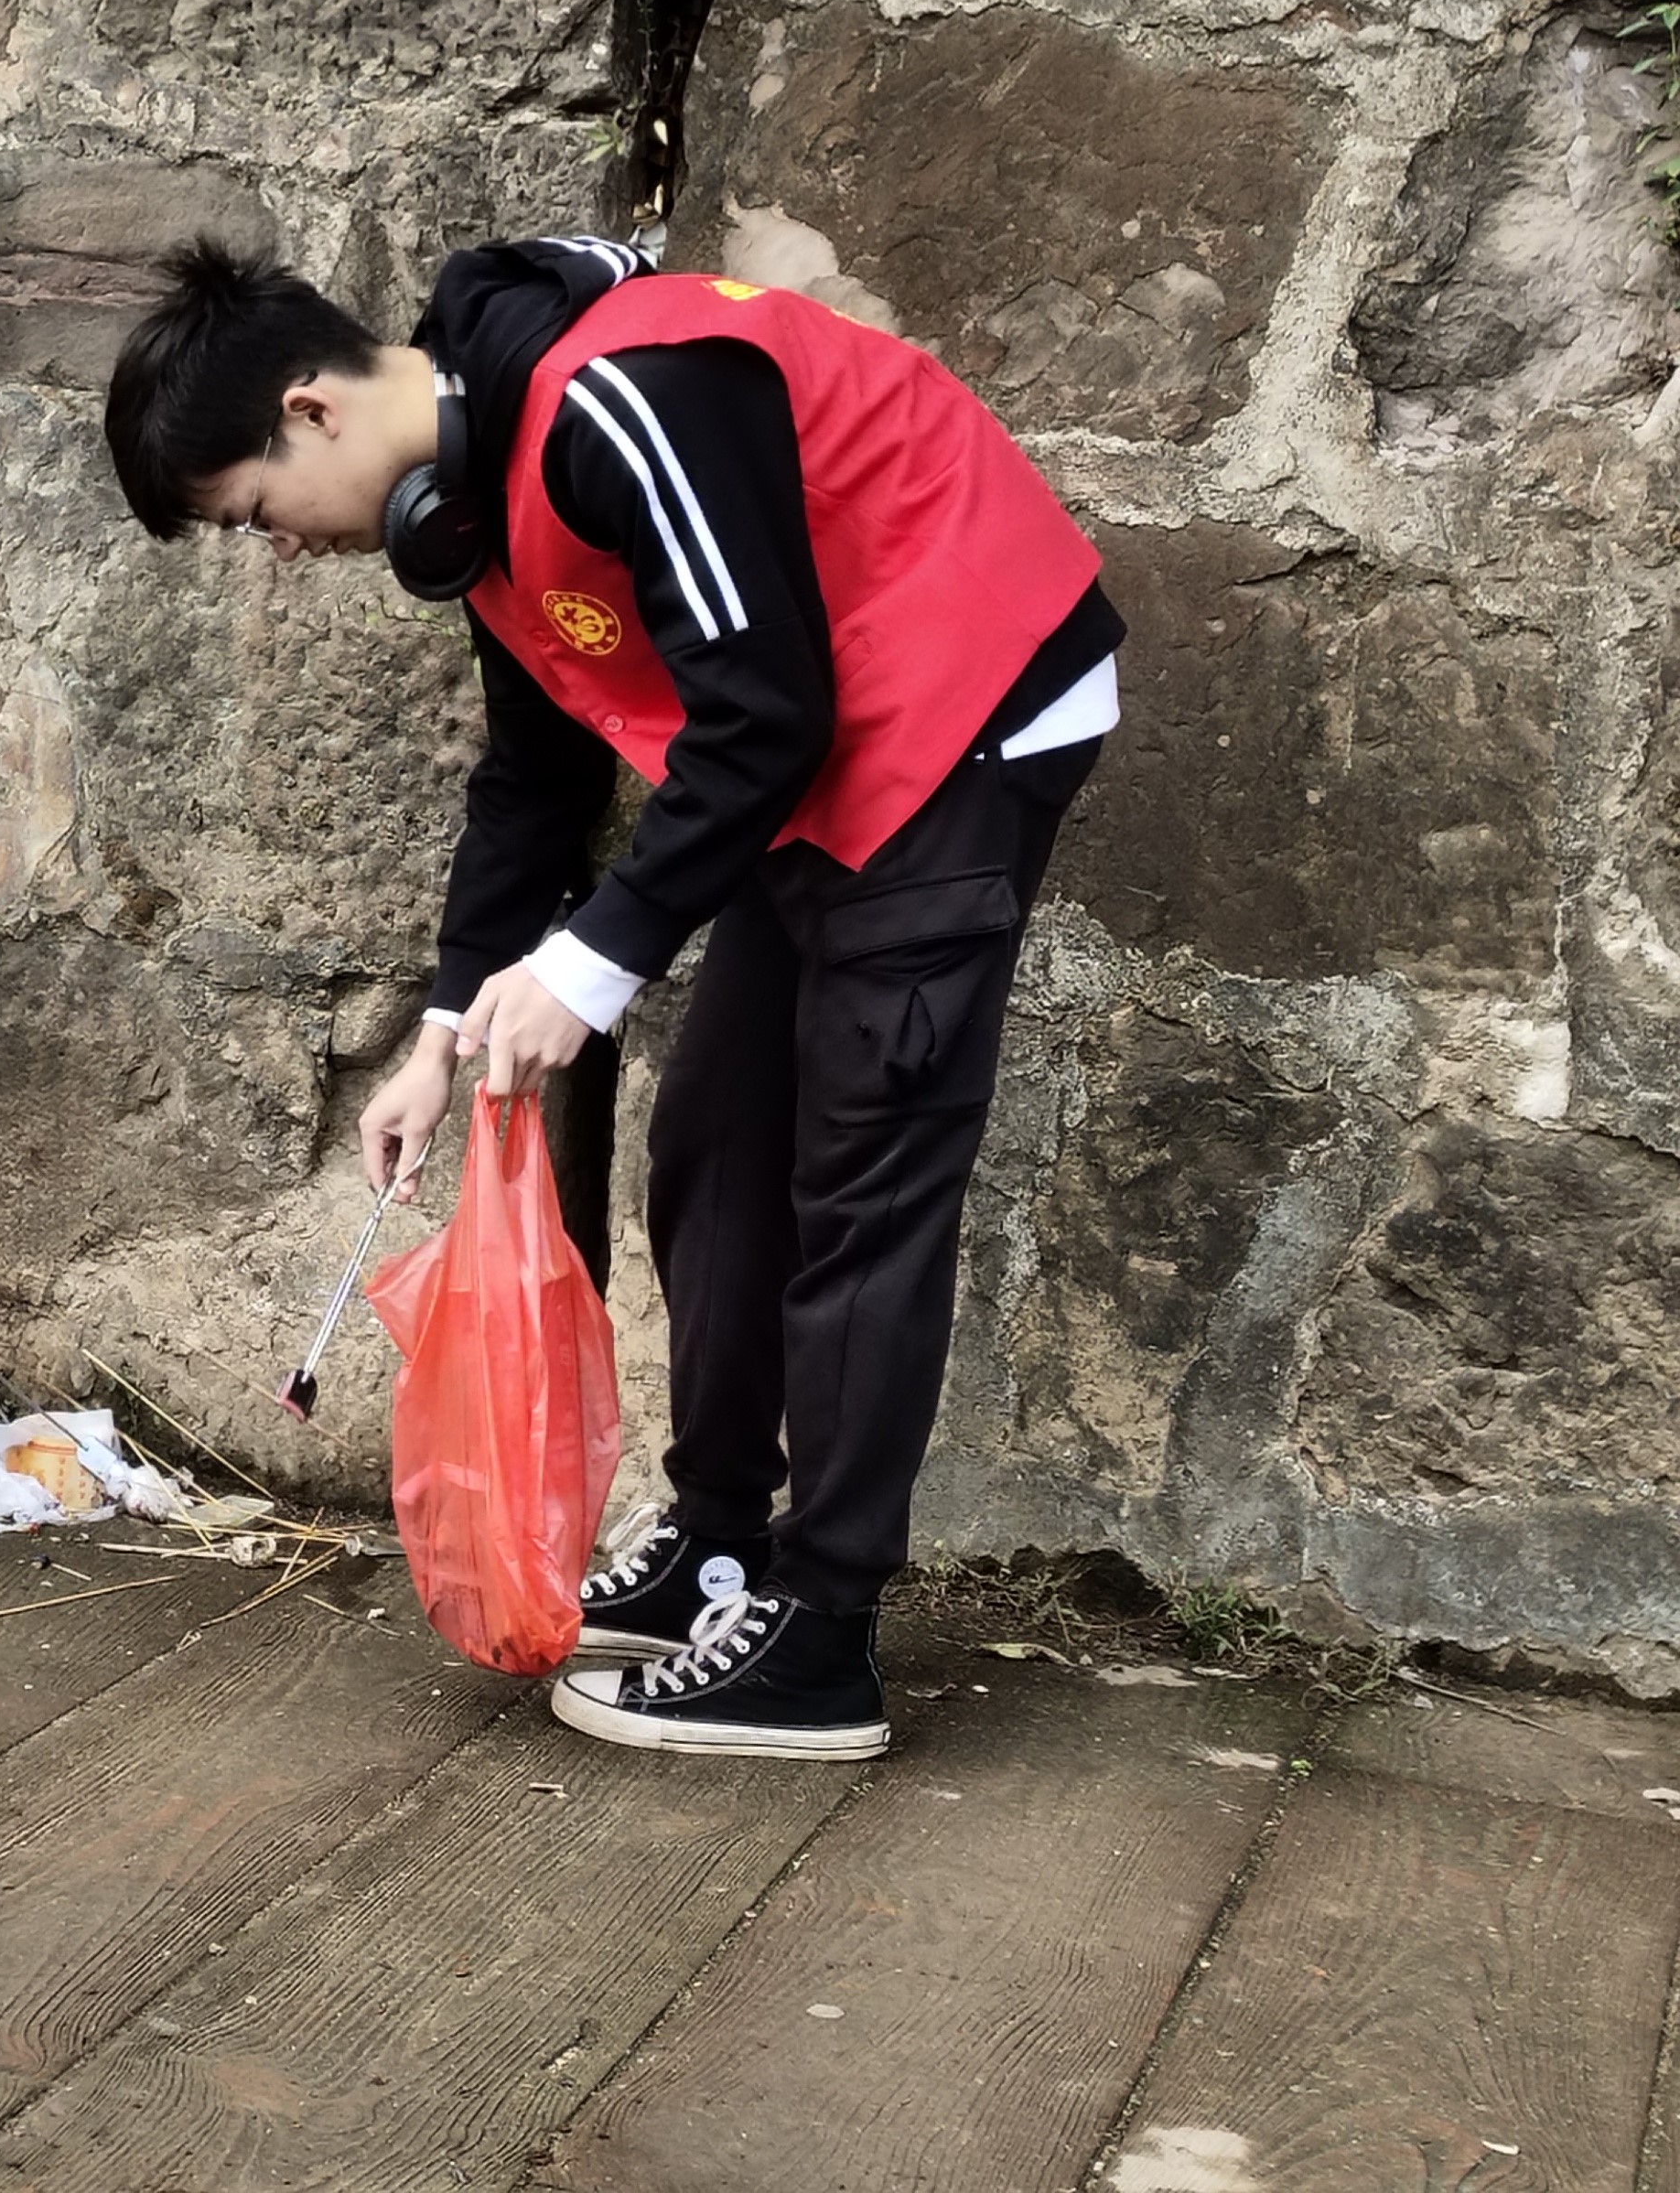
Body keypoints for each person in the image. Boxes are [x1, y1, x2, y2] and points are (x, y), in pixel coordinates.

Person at [105, 234, 1120, 1759]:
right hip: (828, 753)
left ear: (309, 409)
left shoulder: (617, 398)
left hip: (968, 697)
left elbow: (763, 712)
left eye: (255, 514)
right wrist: (442, 1034)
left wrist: (591, 964)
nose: (282, 551)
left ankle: (820, 1641)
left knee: (863, 1167)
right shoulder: (474, 501)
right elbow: (536, 779)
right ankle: (719, 1545)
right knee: (716, 1142)